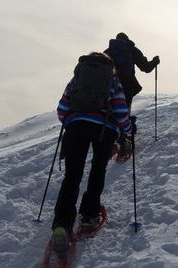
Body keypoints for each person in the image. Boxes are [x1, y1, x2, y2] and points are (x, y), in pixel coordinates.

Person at [51, 52, 133, 256]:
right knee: (97, 170)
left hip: (76, 127)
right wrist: (127, 130)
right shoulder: (112, 80)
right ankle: (89, 216)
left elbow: (62, 108)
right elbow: (121, 112)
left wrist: (71, 121)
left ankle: (61, 225)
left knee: (72, 176)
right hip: (104, 129)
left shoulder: (76, 78)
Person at [104, 32, 160, 107]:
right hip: (128, 87)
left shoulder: (107, 52)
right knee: (124, 112)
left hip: (110, 87)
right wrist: (155, 62)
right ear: (127, 40)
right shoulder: (132, 50)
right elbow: (146, 68)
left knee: (110, 111)